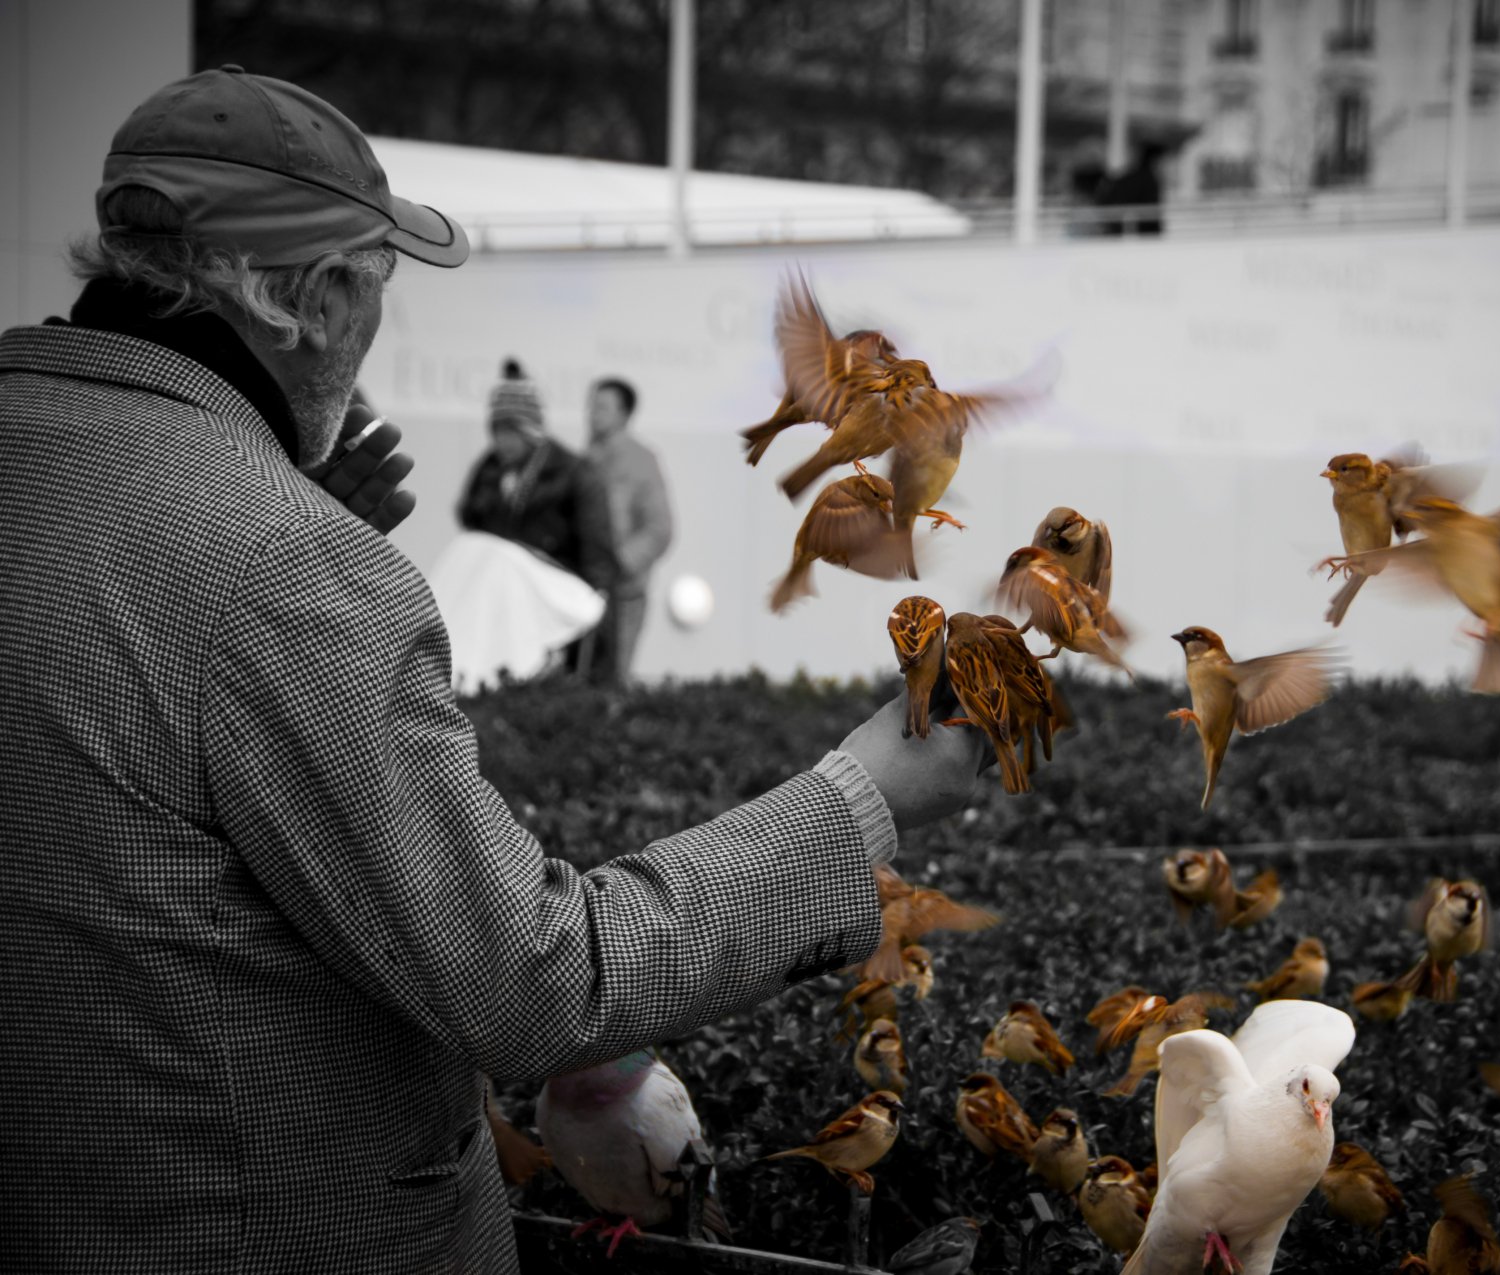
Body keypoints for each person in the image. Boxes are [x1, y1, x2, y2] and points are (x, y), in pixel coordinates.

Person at [0, 67, 982, 1274]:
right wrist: (868, 794)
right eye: (368, 286)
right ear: (275, 293)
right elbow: (531, 985)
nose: (370, 335)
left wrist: (278, 502)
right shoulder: (282, 567)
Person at [457, 358, 592, 577]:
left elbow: (595, 549)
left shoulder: (572, 471)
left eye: (512, 431)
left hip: (555, 587)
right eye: (497, 431)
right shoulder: (490, 466)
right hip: (500, 582)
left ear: (531, 432)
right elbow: (469, 515)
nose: (502, 441)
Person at [579, 375, 673, 687]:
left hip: (624, 592)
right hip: (583, 587)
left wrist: (620, 561)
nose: (593, 413)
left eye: (602, 407)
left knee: (613, 678)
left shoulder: (641, 460)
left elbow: (660, 528)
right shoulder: (584, 461)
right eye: (591, 405)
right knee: (579, 677)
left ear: (624, 414)